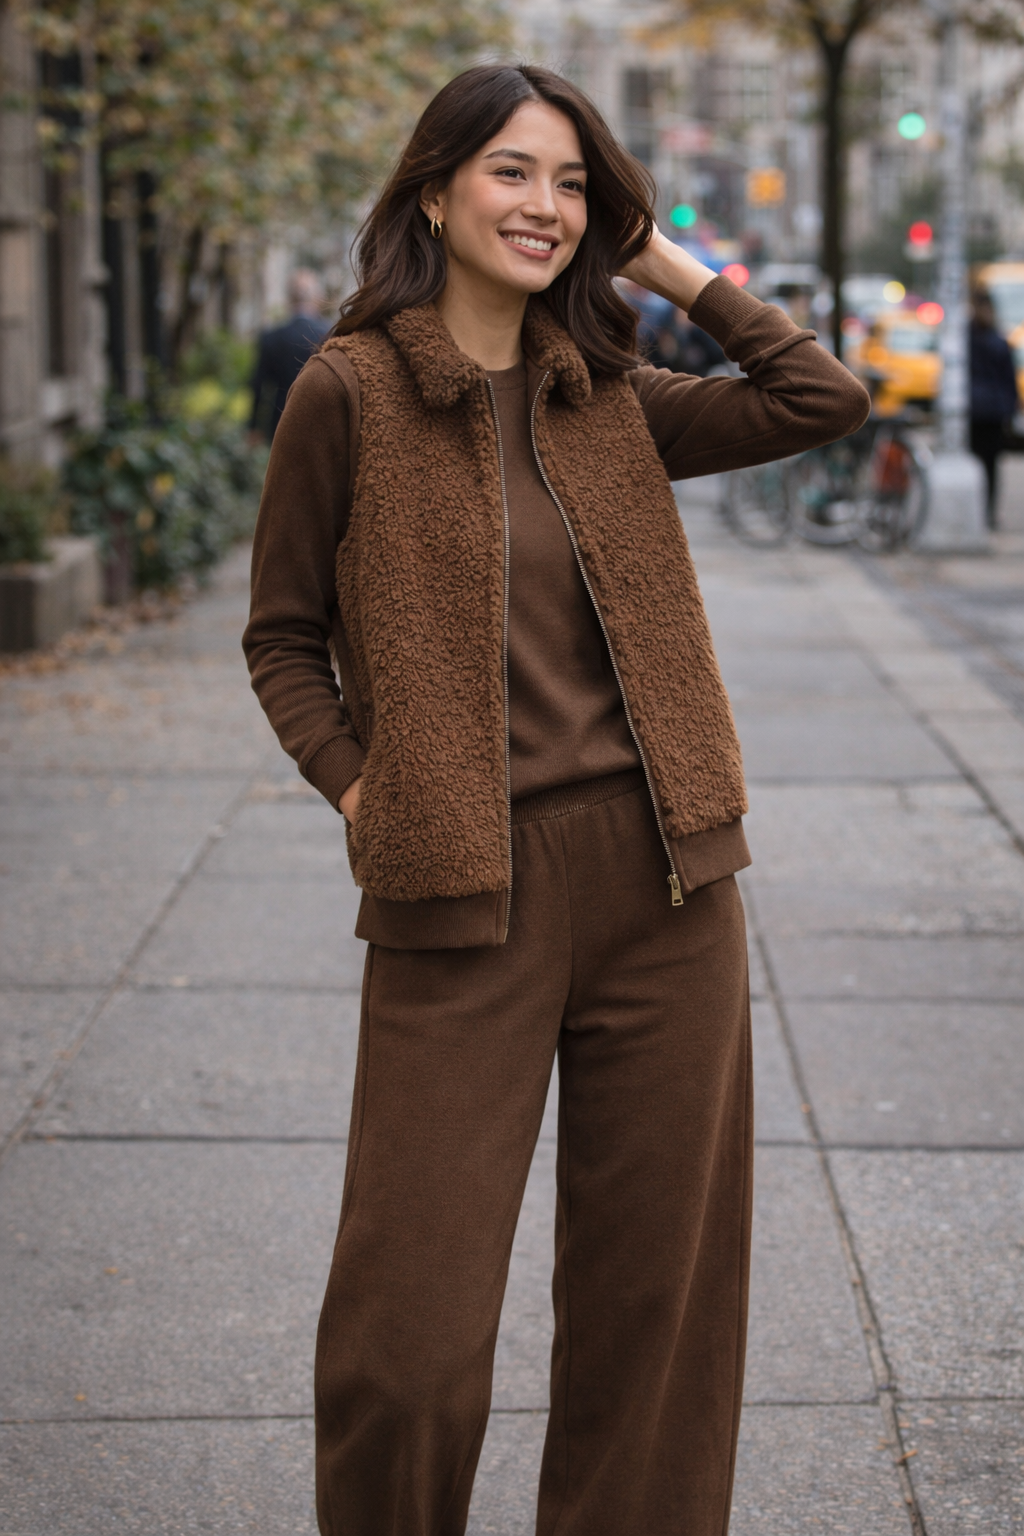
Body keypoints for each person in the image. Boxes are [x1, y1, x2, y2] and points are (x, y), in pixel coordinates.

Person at [243, 63, 868, 1536]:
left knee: (656, 1314)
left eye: (574, 183)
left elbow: (817, 396)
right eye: (513, 172)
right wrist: (357, 787)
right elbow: (280, 637)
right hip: (460, 889)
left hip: (668, 890)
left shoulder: (611, 397)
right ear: (435, 190)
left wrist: (664, 260)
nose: (546, 205)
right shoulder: (349, 391)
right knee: (407, 1342)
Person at [248, 268, 330, 440]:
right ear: (317, 298)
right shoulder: (330, 335)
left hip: (280, 423)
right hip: (321, 425)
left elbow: (259, 385)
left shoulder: (272, 337)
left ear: (289, 299)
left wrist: (254, 426)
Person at [969, 289, 1018, 528]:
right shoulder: (994, 340)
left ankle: (983, 512)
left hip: (981, 412)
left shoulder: (973, 338)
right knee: (987, 466)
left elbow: (1008, 379)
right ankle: (985, 513)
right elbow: (1008, 380)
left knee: (984, 464)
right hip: (987, 412)